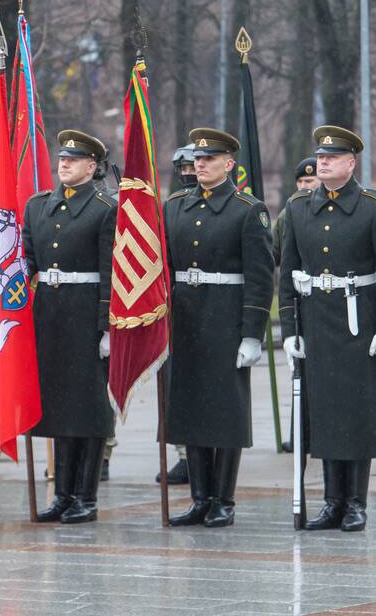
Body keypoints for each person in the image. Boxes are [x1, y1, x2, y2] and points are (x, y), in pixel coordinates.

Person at [278, 125, 376, 532]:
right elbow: (288, 271)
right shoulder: (299, 207)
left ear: (351, 163)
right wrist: (290, 329)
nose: (323, 163)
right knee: (325, 416)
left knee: (357, 416)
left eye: (332, 158)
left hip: (359, 323)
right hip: (318, 322)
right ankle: (331, 502)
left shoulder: (374, 207)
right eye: (320, 157)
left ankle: (355, 502)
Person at [164, 127, 274, 528]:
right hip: (187, 321)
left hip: (225, 320)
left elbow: (261, 277)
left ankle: (223, 499)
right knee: (191, 411)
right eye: (198, 158)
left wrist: (252, 333)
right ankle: (199, 497)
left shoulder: (248, 209)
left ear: (229, 164)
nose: (201, 164)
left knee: (225, 413)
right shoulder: (175, 206)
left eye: (209, 159)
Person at [23, 130, 116, 523]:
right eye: (62, 159)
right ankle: (62, 494)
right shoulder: (39, 206)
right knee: (59, 407)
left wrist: (108, 325)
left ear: (92, 167)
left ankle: (86, 497)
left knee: (89, 409)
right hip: (50, 315)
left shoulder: (105, 208)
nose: (64, 165)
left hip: (86, 316)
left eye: (74, 160)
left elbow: (111, 272)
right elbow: (26, 259)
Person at [154, 144, 199, 487]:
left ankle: (195, 456)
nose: (187, 174)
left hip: (207, 305)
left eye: (192, 168)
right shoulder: (171, 206)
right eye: (182, 169)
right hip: (174, 306)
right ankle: (182, 452)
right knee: (174, 387)